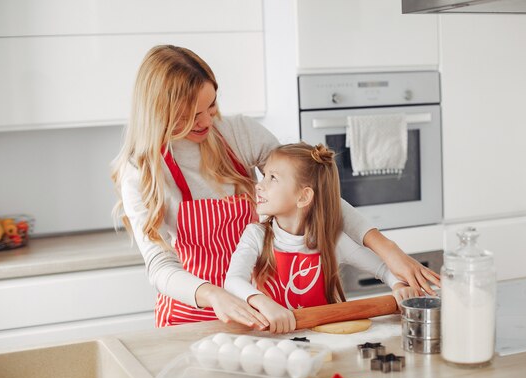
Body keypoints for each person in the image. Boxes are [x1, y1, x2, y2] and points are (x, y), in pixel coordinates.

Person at [111, 45, 439, 329]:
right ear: (161, 114)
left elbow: (309, 188)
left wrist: (388, 251)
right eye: (192, 115)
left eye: (211, 107)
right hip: (191, 315)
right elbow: (160, 266)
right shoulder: (140, 170)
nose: (208, 122)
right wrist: (215, 295)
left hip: (264, 309)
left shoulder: (236, 132)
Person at [223, 143, 419, 333]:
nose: (259, 185)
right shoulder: (256, 235)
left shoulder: (331, 239)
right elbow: (233, 280)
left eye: (272, 178)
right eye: (263, 175)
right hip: (274, 342)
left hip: (327, 341)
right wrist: (262, 302)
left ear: (303, 197)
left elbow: (383, 268)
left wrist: (399, 285)